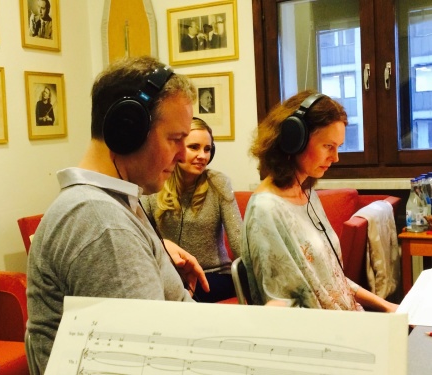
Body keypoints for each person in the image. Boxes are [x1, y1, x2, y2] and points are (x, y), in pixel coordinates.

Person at [26, 56, 210, 373]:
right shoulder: (103, 223)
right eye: (175, 139)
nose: (182, 155)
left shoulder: (113, 208)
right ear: (128, 130)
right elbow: (148, 364)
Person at [242, 89, 399, 312]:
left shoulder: (307, 195)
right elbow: (285, 306)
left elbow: (333, 281)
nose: (335, 158)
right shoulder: (266, 210)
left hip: (349, 320)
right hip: (324, 336)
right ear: (293, 140)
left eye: (338, 147)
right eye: (328, 146)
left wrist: (388, 306)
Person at [141, 118, 242, 302]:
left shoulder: (218, 183)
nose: (203, 156)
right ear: (178, 149)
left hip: (214, 276)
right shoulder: (155, 185)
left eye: (207, 149)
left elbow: (239, 242)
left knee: (183, 293)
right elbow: (141, 236)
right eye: (194, 147)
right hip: (170, 275)